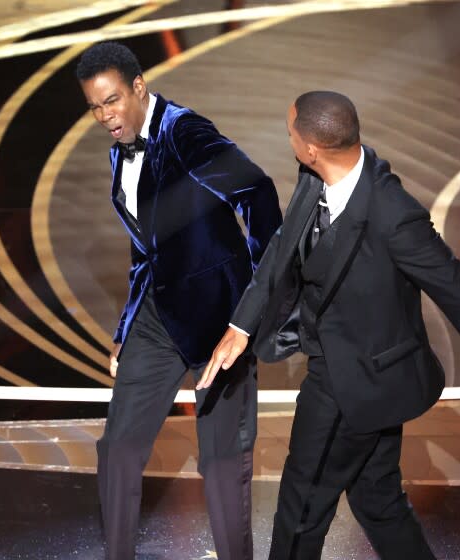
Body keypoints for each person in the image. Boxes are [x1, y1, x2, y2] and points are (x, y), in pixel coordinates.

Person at [198, 91, 460, 559]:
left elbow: (454, 288)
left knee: (300, 510)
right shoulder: (314, 176)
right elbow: (283, 246)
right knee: (377, 501)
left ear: (312, 147)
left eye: (291, 133)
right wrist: (241, 324)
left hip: (352, 381)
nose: (290, 140)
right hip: (354, 373)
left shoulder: (394, 214)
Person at [76, 42, 282, 560]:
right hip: (158, 317)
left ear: (139, 86)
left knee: (220, 461)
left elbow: (257, 194)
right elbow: (146, 246)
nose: (105, 116)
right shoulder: (119, 148)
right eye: (95, 107)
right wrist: (126, 326)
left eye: (113, 101)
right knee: (118, 449)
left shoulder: (186, 132)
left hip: (219, 320)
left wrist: (251, 309)